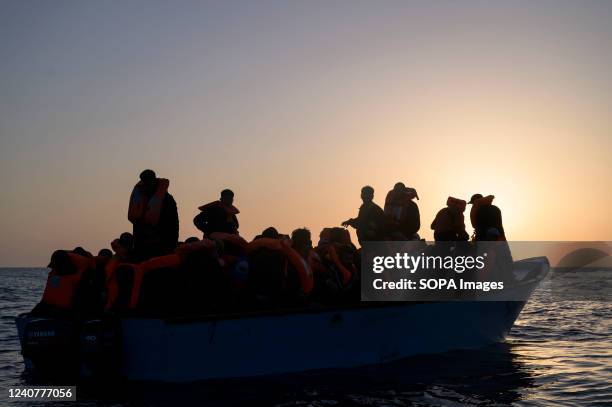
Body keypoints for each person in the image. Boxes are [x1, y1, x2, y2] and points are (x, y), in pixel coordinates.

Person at [128, 169, 179, 261]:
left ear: (154, 180)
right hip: (142, 246)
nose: (146, 185)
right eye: (144, 182)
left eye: (148, 182)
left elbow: (171, 224)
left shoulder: (167, 200)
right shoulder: (141, 198)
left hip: (163, 244)